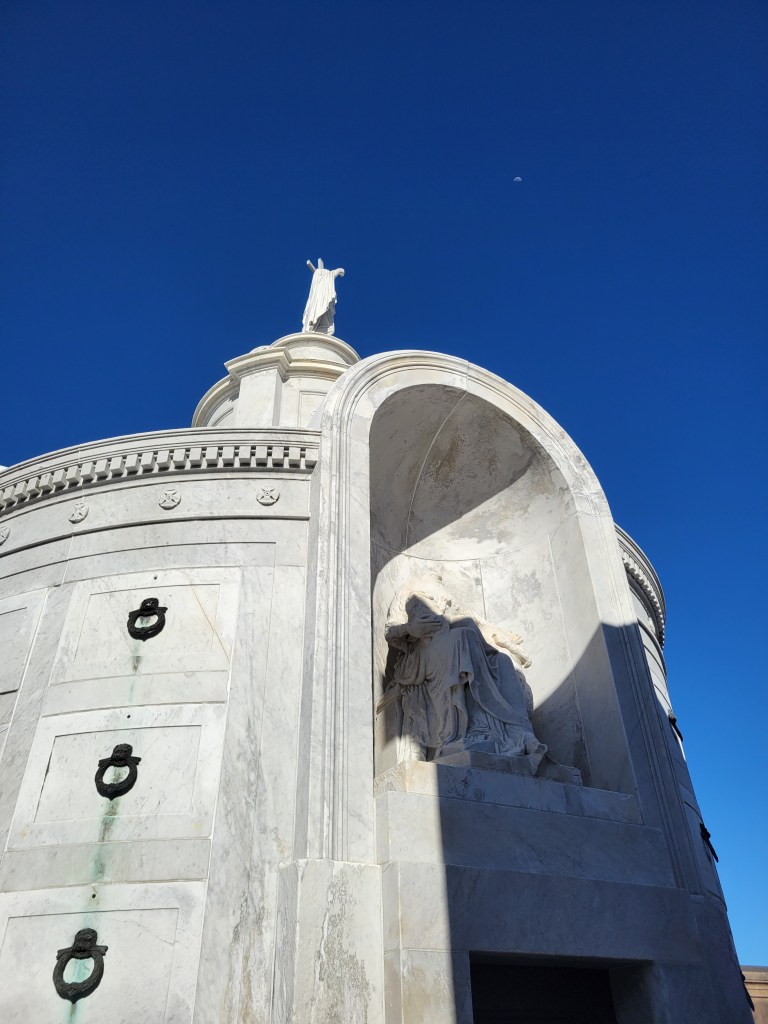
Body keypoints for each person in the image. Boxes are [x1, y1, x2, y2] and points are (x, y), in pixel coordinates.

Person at [383, 576, 547, 764]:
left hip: (453, 641)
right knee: (464, 638)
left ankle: (521, 732)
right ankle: (475, 728)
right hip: (421, 652)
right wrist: (410, 629)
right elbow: (391, 631)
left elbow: (472, 621)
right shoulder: (409, 591)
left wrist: (500, 635)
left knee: (502, 660)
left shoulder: (446, 595)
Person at [302, 258, 345, 335]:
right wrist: (338, 270)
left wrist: (338, 271)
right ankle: (311, 329)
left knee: (330, 328)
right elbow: (329, 275)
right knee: (317, 313)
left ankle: (315, 331)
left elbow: (330, 275)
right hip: (319, 302)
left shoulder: (327, 278)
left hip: (323, 303)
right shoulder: (318, 295)